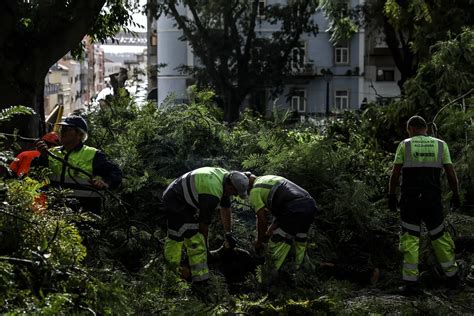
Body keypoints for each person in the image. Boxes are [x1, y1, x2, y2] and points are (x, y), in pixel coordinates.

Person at [389, 115, 461, 295]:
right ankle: (453, 277)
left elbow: (395, 173)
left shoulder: (405, 145)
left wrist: (391, 195)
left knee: (411, 239)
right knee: (439, 237)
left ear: (411, 128)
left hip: (410, 200)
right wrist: (456, 194)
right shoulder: (440, 145)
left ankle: (411, 284)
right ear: (425, 129)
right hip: (433, 199)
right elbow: (451, 173)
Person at [162, 167, 248, 284]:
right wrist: (206, 249)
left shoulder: (226, 176)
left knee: (175, 237)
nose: (234, 195)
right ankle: (200, 282)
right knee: (196, 241)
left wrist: (228, 233)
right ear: (230, 186)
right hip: (177, 202)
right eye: (235, 193)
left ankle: (171, 273)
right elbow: (203, 225)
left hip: (176, 197)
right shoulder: (211, 192)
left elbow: (226, 208)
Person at [35, 115, 122, 213]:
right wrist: (42, 158)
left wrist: (106, 182)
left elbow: (116, 173)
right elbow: (36, 174)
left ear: (80, 134)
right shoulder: (51, 153)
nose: (63, 131)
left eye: (68, 129)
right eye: (62, 128)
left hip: (84, 214)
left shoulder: (93, 155)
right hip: (55, 212)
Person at [247, 174, 317, 271]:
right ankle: (299, 272)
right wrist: (269, 231)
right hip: (310, 204)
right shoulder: (267, 178)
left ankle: (267, 278)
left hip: (294, 209)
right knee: (300, 238)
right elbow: (281, 211)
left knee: (278, 240)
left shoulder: (255, 190)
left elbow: (262, 220)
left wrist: (259, 242)